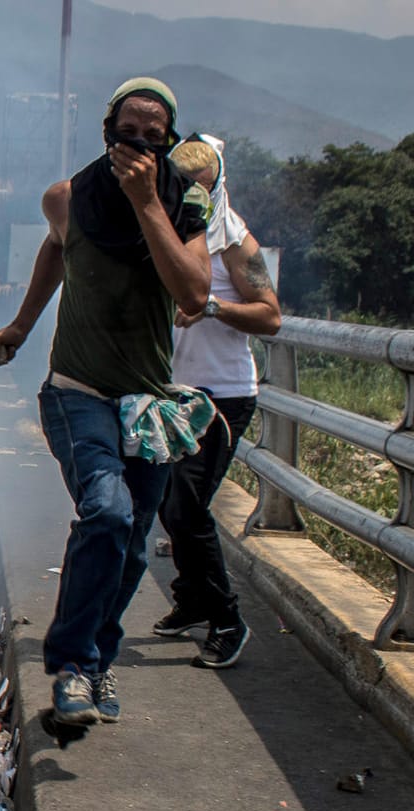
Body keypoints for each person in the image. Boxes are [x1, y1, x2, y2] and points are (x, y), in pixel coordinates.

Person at [0, 77, 211, 733]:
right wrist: (21, 327)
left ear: (168, 143)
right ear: (106, 131)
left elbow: (192, 294)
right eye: (126, 132)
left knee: (132, 547)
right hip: (77, 390)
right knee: (106, 511)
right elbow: (57, 245)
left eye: (152, 136)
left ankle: (98, 660)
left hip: (150, 404)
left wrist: (147, 207)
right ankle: (74, 665)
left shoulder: (185, 207)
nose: (136, 145)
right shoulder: (68, 199)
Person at [153, 135, 280, 668]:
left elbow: (270, 316)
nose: (195, 202)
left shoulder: (233, 240)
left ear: (218, 185)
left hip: (224, 394)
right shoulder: (165, 231)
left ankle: (227, 617)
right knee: (167, 501)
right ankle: (192, 599)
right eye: (185, 191)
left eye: (203, 191)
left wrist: (211, 308)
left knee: (187, 502)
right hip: (175, 392)